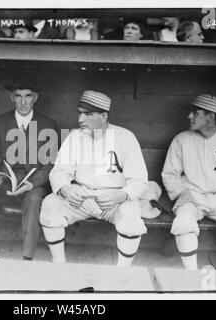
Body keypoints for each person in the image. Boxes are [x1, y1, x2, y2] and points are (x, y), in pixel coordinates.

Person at [40, 90, 148, 266]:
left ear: (103, 116)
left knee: (131, 216)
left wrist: (120, 196)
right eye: (80, 112)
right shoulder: (75, 137)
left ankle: (123, 272)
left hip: (114, 199)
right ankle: (58, 264)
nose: (80, 119)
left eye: (88, 114)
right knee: (50, 205)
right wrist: (66, 189)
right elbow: (59, 171)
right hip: (81, 197)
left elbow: (139, 180)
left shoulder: (125, 137)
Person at [0, 77, 57, 260]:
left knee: (34, 201)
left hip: (32, 185)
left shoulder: (48, 124)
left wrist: (33, 184)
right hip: (5, 184)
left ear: (36, 98)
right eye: (18, 96)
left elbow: (50, 166)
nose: (23, 102)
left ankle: (27, 256)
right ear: (12, 97)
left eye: (28, 96)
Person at [162, 94, 216, 270]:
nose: (189, 116)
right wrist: (182, 193)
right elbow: (169, 174)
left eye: (196, 113)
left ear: (211, 116)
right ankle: (191, 274)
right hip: (193, 198)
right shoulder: (182, 139)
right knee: (183, 222)